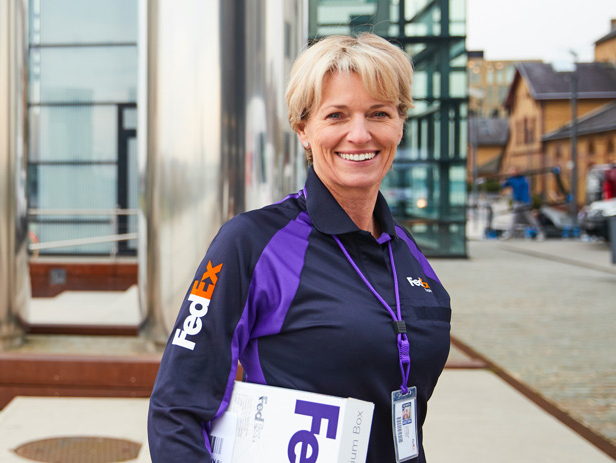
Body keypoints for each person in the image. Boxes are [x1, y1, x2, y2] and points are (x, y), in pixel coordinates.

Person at [147, 33, 451, 463]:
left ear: (400, 124)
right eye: (336, 115)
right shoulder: (251, 242)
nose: (359, 134)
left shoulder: (407, 251)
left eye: (379, 113)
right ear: (303, 129)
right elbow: (176, 411)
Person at [500, 167, 545, 240]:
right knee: (514, 219)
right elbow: (503, 185)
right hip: (516, 202)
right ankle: (510, 234)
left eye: (513, 171)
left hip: (524, 202)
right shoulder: (512, 179)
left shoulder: (523, 179)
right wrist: (504, 180)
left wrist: (527, 202)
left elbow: (523, 190)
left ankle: (540, 233)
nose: (512, 173)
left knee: (531, 219)